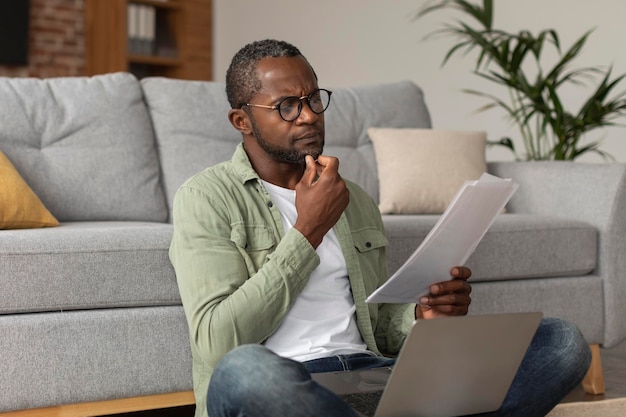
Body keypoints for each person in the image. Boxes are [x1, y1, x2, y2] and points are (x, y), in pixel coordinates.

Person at [169, 39, 591, 417]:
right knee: (246, 373)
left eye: (314, 99)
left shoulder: (353, 197)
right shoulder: (206, 197)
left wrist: (421, 317)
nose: (309, 117)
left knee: (562, 341)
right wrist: (307, 231)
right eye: (287, 106)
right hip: (295, 386)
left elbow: (375, 325)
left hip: (375, 378)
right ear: (242, 121)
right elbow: (217, 343)